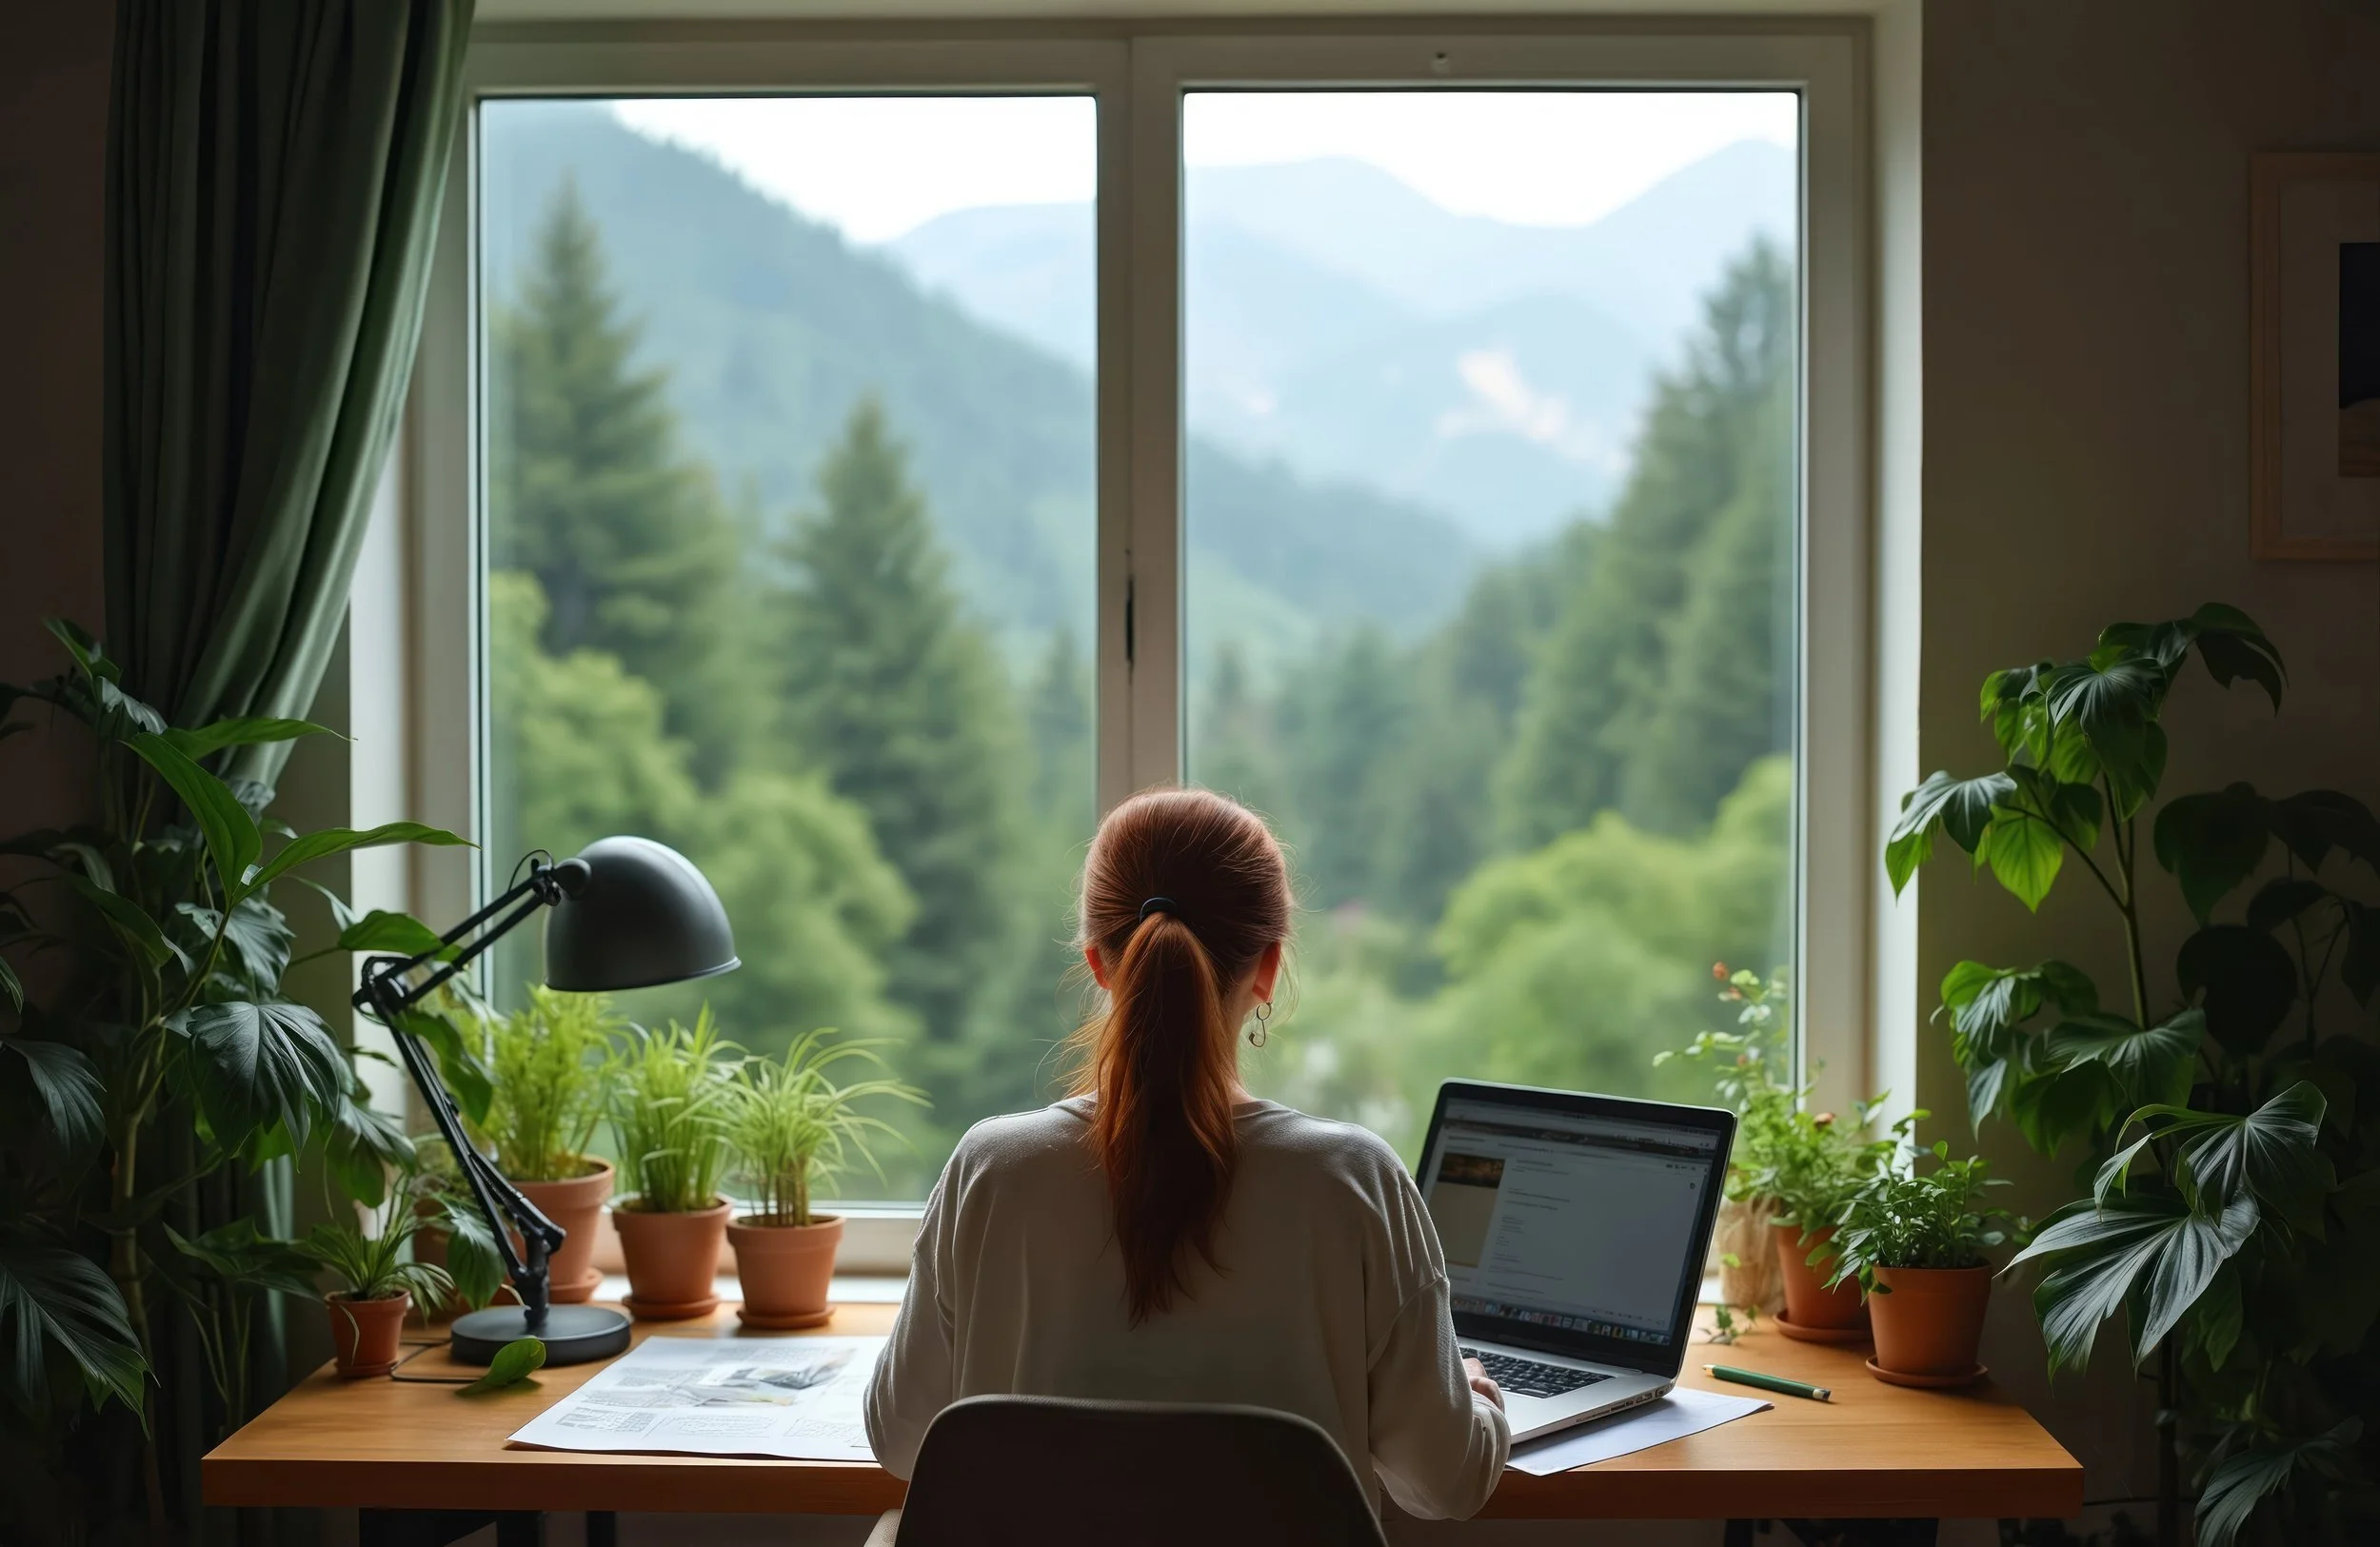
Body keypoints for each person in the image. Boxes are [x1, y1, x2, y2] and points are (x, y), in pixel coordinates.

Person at [864, 786, 1510, 1518]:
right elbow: (1443, 1484)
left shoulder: (992, 1170)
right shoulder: (1352, 1183)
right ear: (1268, 967)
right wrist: (1479, 1398)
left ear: (1101, 964)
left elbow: (901, 1441)